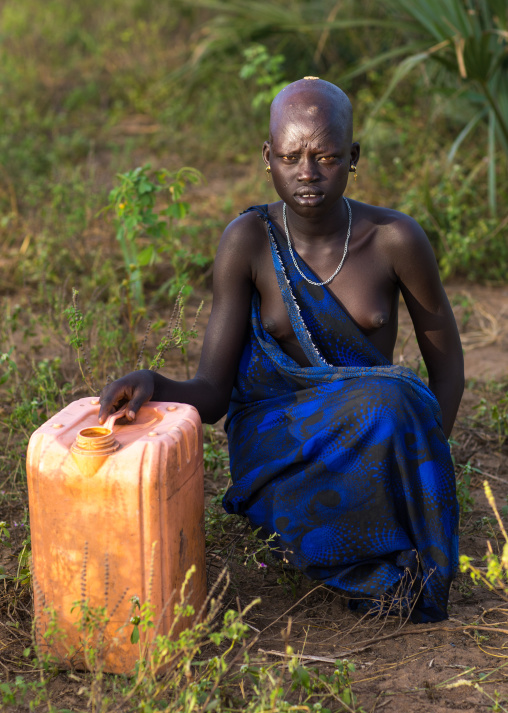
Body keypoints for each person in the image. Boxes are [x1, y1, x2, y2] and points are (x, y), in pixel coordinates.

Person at [99, 78, 464, 623]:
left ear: (353, 157)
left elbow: (448, 365)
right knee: (389, 400)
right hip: (278, 440)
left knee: (391, 402)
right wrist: (155, 382)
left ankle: (376, 518)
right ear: (268, 157)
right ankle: (321, 529)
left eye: (326, 157)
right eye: (291, 157)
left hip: (374, 438)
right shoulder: (248, 240)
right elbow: (214, 394)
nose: (308, 173)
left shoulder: (394, 239)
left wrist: (420, 461)